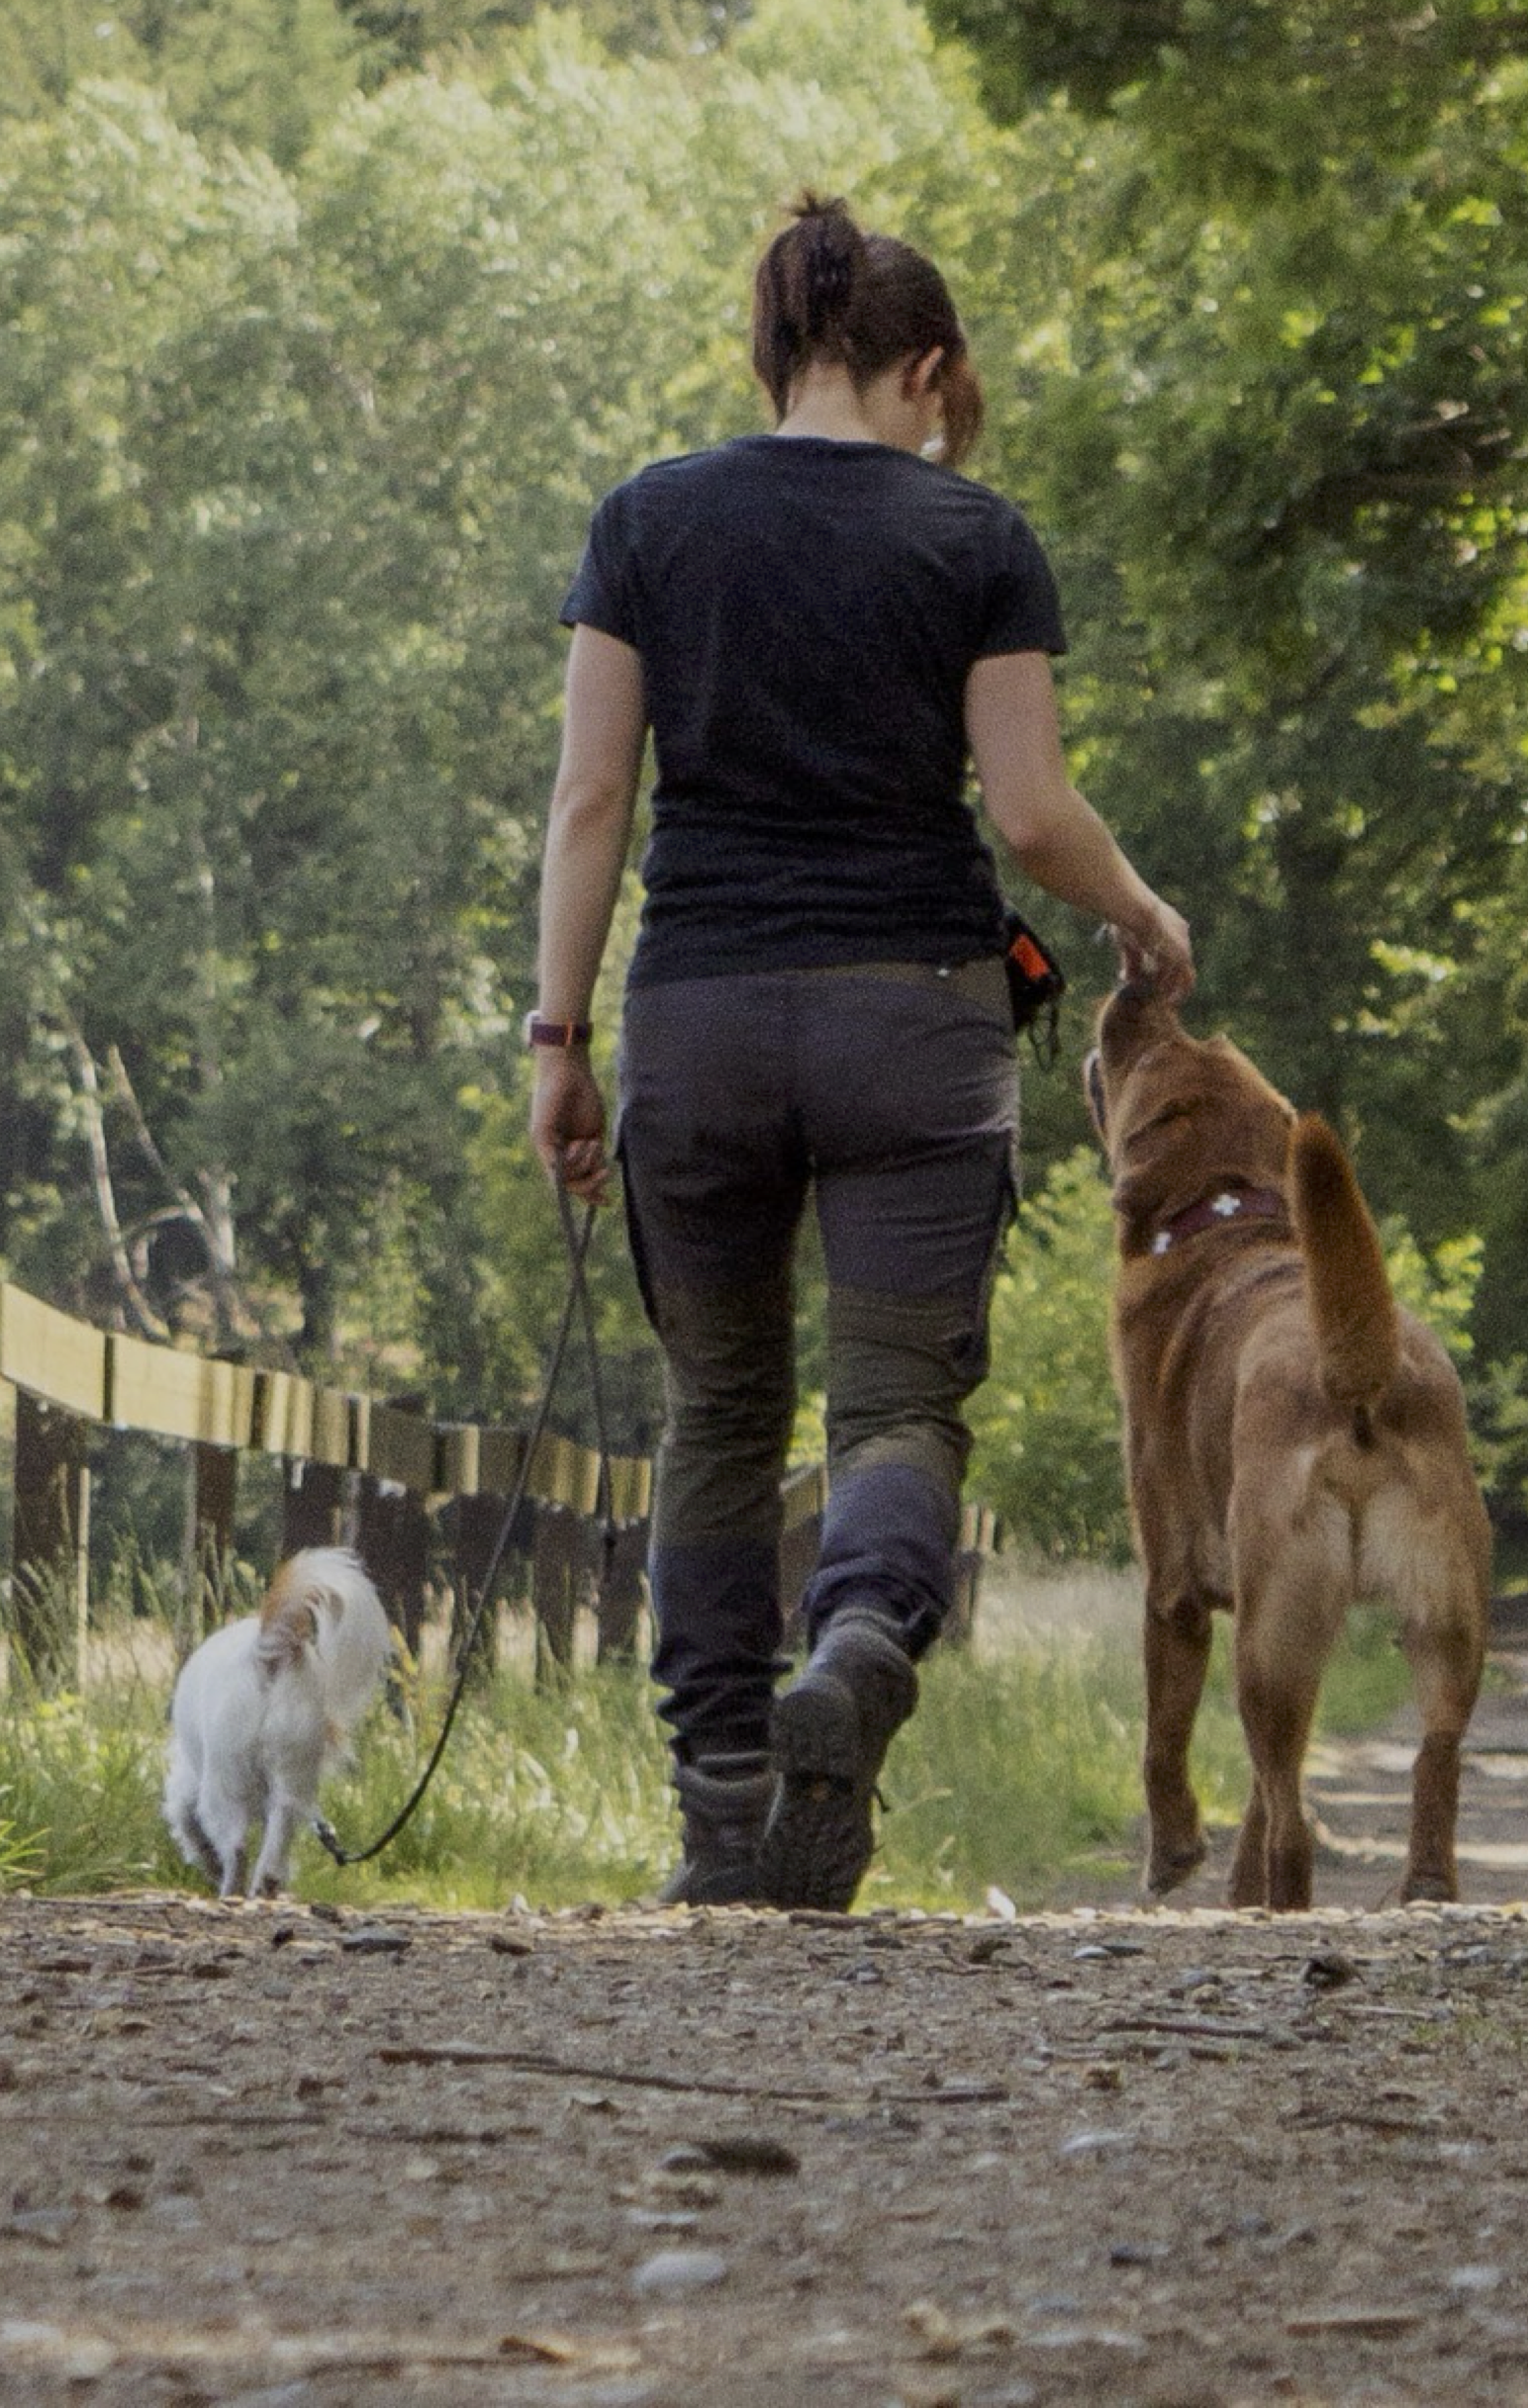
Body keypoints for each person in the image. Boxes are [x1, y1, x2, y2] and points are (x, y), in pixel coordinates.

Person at [526, 193, 1194, 1910]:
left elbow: (595, 798)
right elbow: (1033, 815)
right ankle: (858, 1656)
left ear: (774, 352)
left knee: (721, 1420)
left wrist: (556, 1034)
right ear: (931, 368)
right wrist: (1140, 912)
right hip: (918, 1019)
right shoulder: (974, 539)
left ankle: (720, 1824)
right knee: (899, 1402)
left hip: (704, 1020)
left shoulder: (648, 521)